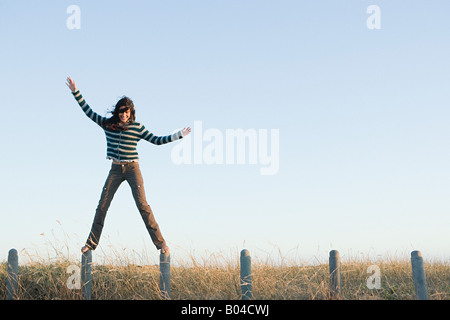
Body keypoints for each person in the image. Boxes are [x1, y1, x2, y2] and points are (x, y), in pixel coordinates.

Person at [66, 77, 191, 254]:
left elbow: (156, 140)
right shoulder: (108, 125)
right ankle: (91, 243)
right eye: (121, 112)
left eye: (127, 112)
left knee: (143, 206)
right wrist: (75, 92)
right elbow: (89, 112)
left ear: (131, 113)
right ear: (117, 112)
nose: (124, 115)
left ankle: (161, 244)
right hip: (115, 169)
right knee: (102, 205)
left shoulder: (137, 127)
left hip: (133, 169)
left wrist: (178, 135)